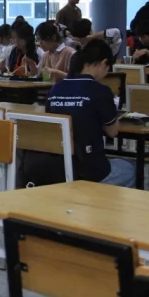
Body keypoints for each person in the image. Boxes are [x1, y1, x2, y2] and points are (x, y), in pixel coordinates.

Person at [43, 39, 135, 187]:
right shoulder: (100, 91)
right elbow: (112, 132)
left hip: (57, 168)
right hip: (89, 170)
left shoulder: (55, 89)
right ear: (103, 63)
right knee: (129, 168)